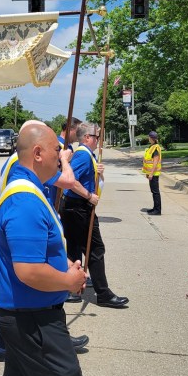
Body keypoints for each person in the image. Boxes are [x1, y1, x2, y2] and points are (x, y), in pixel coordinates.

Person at [0, 122, 87, 376]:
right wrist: (69, 281)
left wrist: (66, 264)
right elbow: (29, 271)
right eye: (56, 150)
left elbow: (40, 247)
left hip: (30, 313)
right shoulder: (25, 200)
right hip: (32, 317)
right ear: (37, 153)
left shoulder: (31, 189)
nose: (61, 155)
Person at [60, 122, 129, 308]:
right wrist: (89, 196)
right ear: (87, 138)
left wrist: (97, 173)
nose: (99, 139)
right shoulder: (82, 155)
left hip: (74, 208)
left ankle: (74, 290)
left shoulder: (85, 155)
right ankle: (103, 294)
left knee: (75, 250)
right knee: (95, 250)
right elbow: (70, 181)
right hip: (78, 208)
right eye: (96, 136)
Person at [143, 131, 162, 216]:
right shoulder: (151, 147)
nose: (148, 138)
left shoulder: (155, 148)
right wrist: (148, 172)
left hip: (154, 173)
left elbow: (155, 161)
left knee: (155, 192)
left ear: (152, 138)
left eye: (149, 137)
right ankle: (155, 208)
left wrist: (151, 173)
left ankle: (157, 210)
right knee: (153, 191)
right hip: (152, 173)